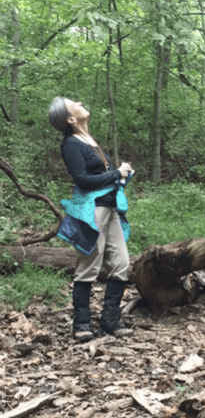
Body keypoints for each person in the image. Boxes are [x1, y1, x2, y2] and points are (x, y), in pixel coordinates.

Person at [49, 97, 134, 342]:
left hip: (111, 210)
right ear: (70, 119)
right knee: (89, 266)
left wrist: (119, 174)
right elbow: (83, 181)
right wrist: (115, 173)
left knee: (121, 264)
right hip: (92, 212)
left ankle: (110, 322)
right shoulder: (71, 145)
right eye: (72, 102)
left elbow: (99, 175)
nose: (80, 101)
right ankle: (82, 325)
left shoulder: (90, 140)